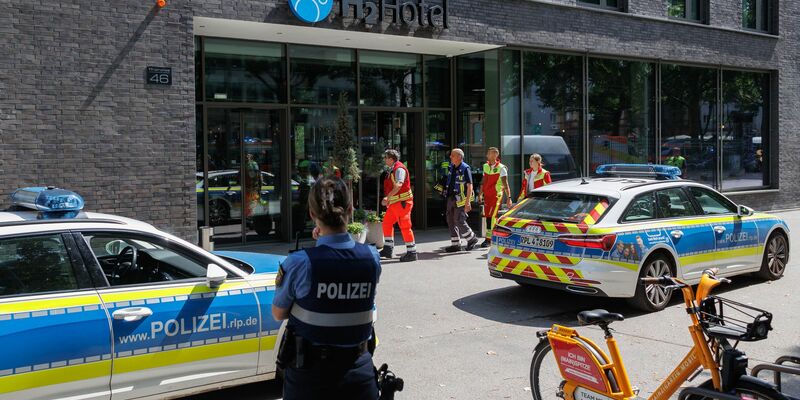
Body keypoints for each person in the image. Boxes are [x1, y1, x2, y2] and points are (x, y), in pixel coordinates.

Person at [272, 177, 381, 400]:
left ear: (313, 215)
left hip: (310, 378)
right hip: (359, 375)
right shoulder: (372, 257)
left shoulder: (300, 262)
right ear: (350, 210)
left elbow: (278, 313)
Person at [380, 149, 417, 262]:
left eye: (386, 158)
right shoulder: (393, 168)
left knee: (405, 226)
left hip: (402, 202)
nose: (384, 160)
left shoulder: (399, 169)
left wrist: (388, 198)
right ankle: (388, 248)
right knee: (387, 222)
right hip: (396, 203)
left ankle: (412, 252)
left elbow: (399, 185)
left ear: (391, 159)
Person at [444, 148, 479, 252]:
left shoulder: (465, 168)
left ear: (459, 157)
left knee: (459, 220)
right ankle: (456, 244)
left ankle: (472, 239)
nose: (450, 157)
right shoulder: (451, 167)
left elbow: (470, 186)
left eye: (453, 155)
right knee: (450, 220)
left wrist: (468, 202)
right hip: (451, 198)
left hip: (461, 200)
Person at [480, 147, 512, 248]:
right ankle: (493, 237)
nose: (487, 155)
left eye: (489, 154)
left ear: (495, 155)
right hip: (487, 195)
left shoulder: (501, 168)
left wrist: (509, 197)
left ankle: (489, 239)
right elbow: (483, 181)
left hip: (496, 195)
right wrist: (480, 193)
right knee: (488, 216)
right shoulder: (485, 166)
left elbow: (505, 184)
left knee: (492, 216)